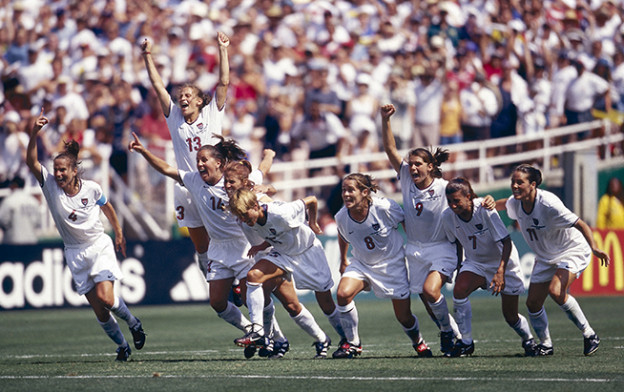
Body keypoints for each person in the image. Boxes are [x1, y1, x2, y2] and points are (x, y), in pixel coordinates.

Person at [128, 133, 287, 359]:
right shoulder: (194, 180)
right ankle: (252, 331)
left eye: (205, 160)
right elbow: (166, 169)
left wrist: (269, 155)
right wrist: (144, 152)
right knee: (218, 303)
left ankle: (274, 340)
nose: (200, 163)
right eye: (198, 160)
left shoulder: (235, 181)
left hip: (242, 247)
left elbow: (262, 170)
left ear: (219, 163)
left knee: (257, 299)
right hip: (218, 249)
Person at [26, 111, 145, 362]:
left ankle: (134, 322)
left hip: (98, 245)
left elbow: (107, 207)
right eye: (56, 170)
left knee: (106, 297)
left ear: (74, 170)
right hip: (74, 252)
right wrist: (34, 133)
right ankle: (123, 346)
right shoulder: (49, 185)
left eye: (62, 170)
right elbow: (31, 162)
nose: (57, 174)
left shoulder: (91, 188)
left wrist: (119, 231)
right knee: (100, 311)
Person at [486, 164, 610, 356]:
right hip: (545, 257)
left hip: (571, 250)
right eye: (513, 182)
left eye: (520, 182)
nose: (515, 186)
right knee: (533, 304)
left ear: (533, 184)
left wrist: (594, 247)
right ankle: (546, 345)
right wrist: (486, 202)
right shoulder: (516, 202)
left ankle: (589, 334)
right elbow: (502, 204)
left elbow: (581, 224)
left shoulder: (549, 204)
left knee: (556, 290)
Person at [222, 158, 332, 359]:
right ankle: (301, 339)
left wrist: (267, 186)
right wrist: (268, 155)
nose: (227, 185)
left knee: (257, 287)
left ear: (245, 183)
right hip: (266, 253)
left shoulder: (254, 198)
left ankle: (267, 337)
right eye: (225, 181)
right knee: (286, 304)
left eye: (231, 181)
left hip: (279, 252)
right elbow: (261, 172)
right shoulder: (234, 200)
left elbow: (268, 188)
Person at [140, 32, 230, 277]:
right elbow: (158, 86)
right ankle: (213, 278)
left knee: (228, 235)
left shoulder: (212, 113)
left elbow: (223, 84)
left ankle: (236, 277)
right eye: (181, 96)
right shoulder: (175, 118)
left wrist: (222, 49)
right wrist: (147, 55)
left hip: (216, 184)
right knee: (201, 246)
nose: (183, 98)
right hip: (187, 186)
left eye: (189, 95)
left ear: (201, 101)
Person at [380, 104, 461, 355]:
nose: (412, 168)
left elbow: (469, 202)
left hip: (441, 247)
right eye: (411, 164)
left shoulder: (444, 187)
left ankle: (448, 333)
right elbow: (390, 149)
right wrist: (385, 120)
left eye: (418, 164)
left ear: (430, 166)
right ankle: (454, 336)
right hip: (414, 249)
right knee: (427, 298)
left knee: (430, 290)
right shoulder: (405, 177)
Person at [331, 173, 433, 359]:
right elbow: (342, 234)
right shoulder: (341, 216)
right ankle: (353, 344)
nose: (345, 194)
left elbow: (406, 222)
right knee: (342, 294)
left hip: (392, 265)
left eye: (350, 190)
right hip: (362, 264)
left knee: (404, 317)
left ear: (364, 192)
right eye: (343, 190)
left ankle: (418, 341)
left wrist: (419, 248)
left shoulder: (384, 207)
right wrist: (344, 259)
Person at [442, 177, 536, 357]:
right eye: (449, 202)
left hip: (504, 262)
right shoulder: (447, 216)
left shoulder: (485, 210)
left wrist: (500, 271)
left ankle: (528, 339)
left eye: (457, 201)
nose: (453, 206)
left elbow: (506, 242)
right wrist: (460, 265)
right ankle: (466, 342)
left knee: (510, 316)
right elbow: (457, 242)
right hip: (476, 263)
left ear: (468, 197)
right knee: (459, 290)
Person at [0, 176, 41, 244]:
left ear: (14, 185)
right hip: (31, 241)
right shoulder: (33, 201)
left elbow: (2, 221)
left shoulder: (8, 201)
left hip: (13, 242)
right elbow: (37, 222)